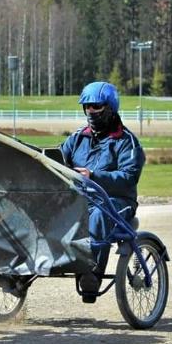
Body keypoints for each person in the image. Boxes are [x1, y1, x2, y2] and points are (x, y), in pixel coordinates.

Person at [61, 81, 145, 302]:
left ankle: (92, 273)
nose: (91, 111)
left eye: (96, 106)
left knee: (99, 214)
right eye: (87, 106)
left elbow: (129, 178)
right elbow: (58, 159)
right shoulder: (77, 138)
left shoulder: (127, 142)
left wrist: (94, 176)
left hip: (117, 201)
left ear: (110, 107)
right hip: (81, 199)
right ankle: (17, 274)